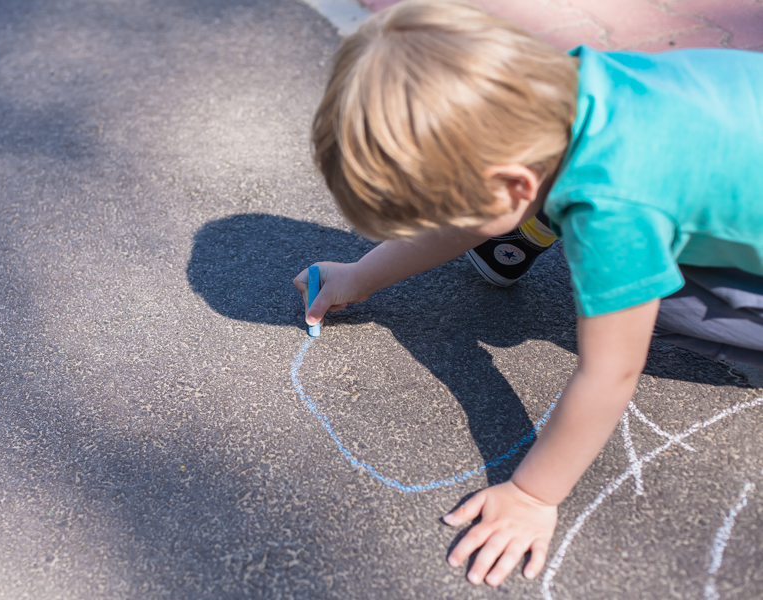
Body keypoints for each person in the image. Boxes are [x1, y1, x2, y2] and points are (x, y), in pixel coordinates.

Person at [292, 0, 763, 588]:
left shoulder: (615, 205)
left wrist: (533, 494)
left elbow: (611, 371)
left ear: (514, 184)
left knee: (651, 299)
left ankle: (550, 225)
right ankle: (538, 219)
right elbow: (472, 218)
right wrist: (362, 275)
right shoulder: (565, 89)